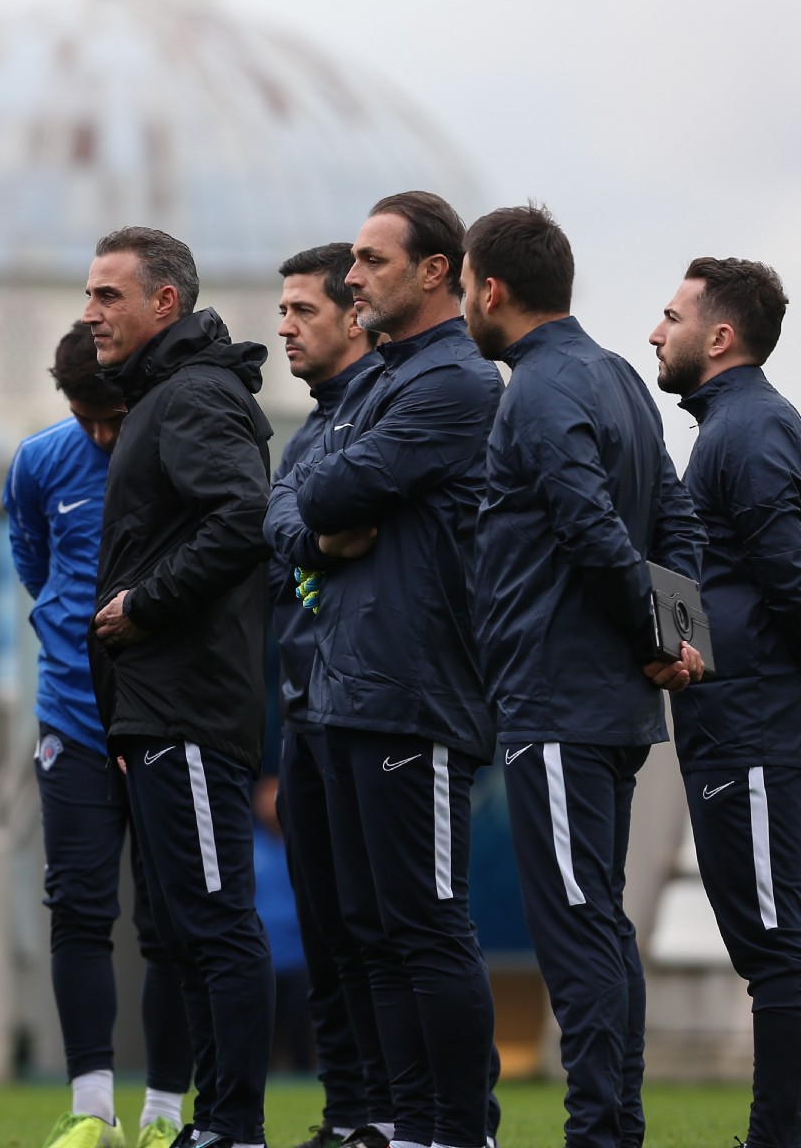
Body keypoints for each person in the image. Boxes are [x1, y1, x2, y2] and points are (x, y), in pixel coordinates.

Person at [462, 205, 706, 1148]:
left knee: (574, 929)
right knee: (601, 927)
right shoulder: (616, 378)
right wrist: (678, 642)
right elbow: (673, 521)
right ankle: (617, 1128)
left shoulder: (535, 389)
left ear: (489, 289)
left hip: (557, 704)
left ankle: (599, 1132)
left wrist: (655, 632)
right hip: (613, 704)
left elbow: (591, 525)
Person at [265, 192, 501, 1148]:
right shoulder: (375, 385)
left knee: (425, 929)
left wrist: (312, 510)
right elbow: (285, 508)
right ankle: (397, 1124)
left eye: (368, 261)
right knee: (363, 929)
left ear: (434, 271)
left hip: (414, 692)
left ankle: (458, 1128)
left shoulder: (453, 383)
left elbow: (320, 486)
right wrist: (316, 531)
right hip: (348, 689)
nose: (352, 278)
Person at [84, 226, 275, 1148]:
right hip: (154, 709)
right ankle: (213, 1123)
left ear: (166, 303)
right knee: (188, 924)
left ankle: (232, 1127)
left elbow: (243, 520)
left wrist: (145, 609)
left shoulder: (194, 395)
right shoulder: (164, 396)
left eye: (108, 296)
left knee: (215, 921)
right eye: (89, 296)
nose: (90, 316)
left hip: (187, 704)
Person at [4, 321, 194, 1148]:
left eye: (114, 416)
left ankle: (164, 1112)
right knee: (78, 909)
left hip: (163, 718)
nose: (104, 433)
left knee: (171, 919)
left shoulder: (175, 450)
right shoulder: (41, 462)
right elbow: (35, 564)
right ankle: (92, 1110)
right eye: (88, 418)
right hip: (72, 721)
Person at [650, 257, 801, 1148]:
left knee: (779, 952)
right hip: (735, 730)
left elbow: (791, 584)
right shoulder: (727, 429)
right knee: (773, 950)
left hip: (754, 734)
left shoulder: (747, 432)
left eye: (670, 316)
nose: (654, 332)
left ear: (719, 337)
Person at [266, 243, 387, 1148]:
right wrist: (311, 534)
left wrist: (300, 525)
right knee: (327, 932)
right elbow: (281, 524)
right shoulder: (307, 431)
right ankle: (351, 1116)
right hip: (306, 709)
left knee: (389, 926)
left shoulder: (387, 411)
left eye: (303, 310)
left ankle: (422, 1115)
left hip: (374, 706)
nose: (283, 327)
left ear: (355, 315)